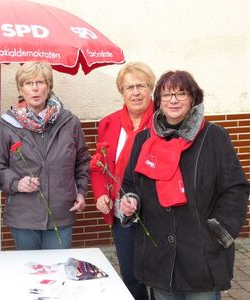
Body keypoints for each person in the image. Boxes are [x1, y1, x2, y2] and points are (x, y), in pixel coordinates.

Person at [119, 70, 250, 300]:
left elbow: (235, 188)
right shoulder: (144, 140)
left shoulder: (214, 137)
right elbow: (131, 184)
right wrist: (131, 201)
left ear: (193, 98)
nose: (174, 100)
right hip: (158, 253)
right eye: (167, 94)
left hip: (201, 253)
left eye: (181, 93)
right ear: (158, 100)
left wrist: (219, 232)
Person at [0, 61, 90, 250]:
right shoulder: (6, 125)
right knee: (31, 273)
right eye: (28, 83)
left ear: (49, 86)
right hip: (23, 215)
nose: (35, 89)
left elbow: (83, 161)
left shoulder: (69, 122)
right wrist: (16, 183)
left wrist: (81, 192)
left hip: (61, 213)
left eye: (40, 82)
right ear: (21, 88)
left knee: (59, 272)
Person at [90, 61, 156, 300]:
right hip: (122, 215)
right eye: (129, 87)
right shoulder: (109, 123)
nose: (136, 92)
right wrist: (100, 195)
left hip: (157, 215)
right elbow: (98, 166)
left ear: (151, 89)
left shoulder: (163, 122)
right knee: (130, 277)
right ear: (121, 92)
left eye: (141, 86)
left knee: (159, 277)